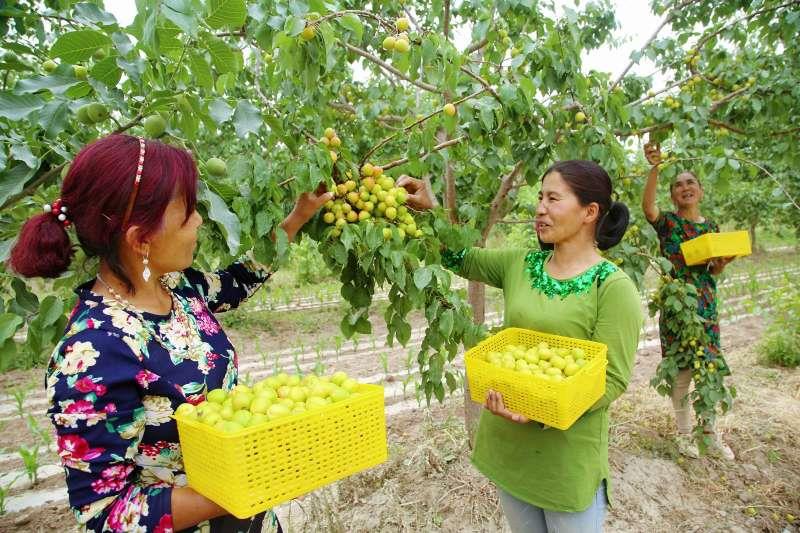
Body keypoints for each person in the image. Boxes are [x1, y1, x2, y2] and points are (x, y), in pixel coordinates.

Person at [8, 134, 333, 532]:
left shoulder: (176, 288)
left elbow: (237, 281)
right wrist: (242, 480)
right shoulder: (94, 352)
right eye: (187, 212)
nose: (198, 220)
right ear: (140, 239)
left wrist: (299, 216)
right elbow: (104, 512)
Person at [398, 160, 643, 533]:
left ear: (589, 212)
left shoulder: (612, 287)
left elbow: (611, 380)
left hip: (565, 459)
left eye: (553, 198)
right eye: (540, 197)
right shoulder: (522, 265)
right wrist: (430, 213)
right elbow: (456, 256)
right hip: (509, 448)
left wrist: (543, 409)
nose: (540, 208)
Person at [641, 142, 735, 460]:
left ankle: (710, 433)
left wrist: (722, 263)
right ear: (673, 195)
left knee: (709, 366)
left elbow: (713, 268)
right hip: (677, 305)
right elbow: (648, 208)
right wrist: (655, 167)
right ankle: (683, 434)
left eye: (690, 182)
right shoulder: (668, 223)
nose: (685, 187)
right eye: (678, 184)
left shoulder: (711, 228)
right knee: (681, 367)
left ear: (701, 190)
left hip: (706, 304)